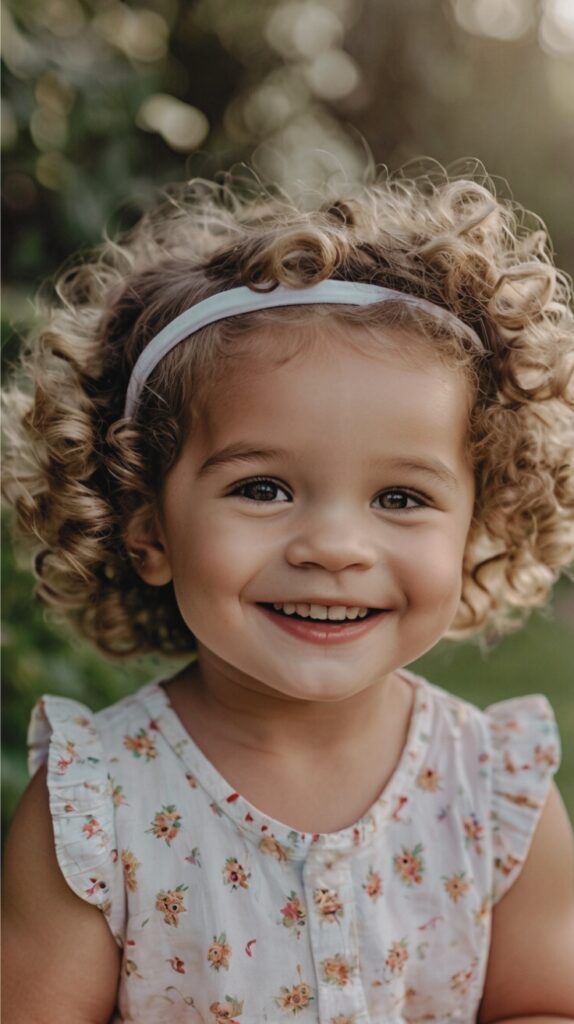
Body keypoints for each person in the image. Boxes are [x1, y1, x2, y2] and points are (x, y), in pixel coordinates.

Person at [2, 161, 574, 1024]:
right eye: (263, 488)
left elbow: (543, 1004)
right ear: (147, 526)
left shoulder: (495, 785)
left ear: (477, 523)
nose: (336, 548)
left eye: (401, 498)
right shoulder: (98, 806)